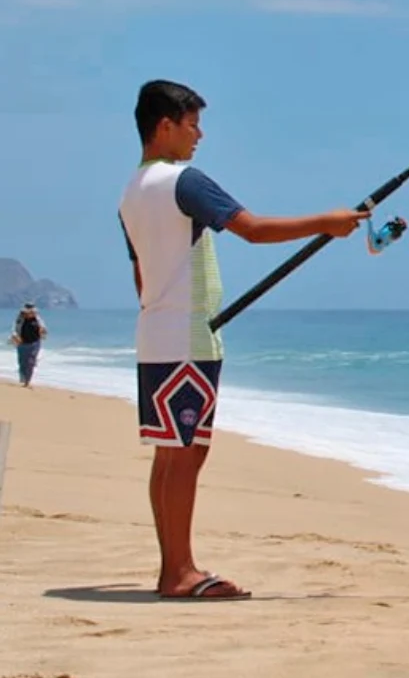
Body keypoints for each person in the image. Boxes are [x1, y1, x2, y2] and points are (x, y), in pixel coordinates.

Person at [118, 80, 367, 601]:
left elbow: (143, 277)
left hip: (155, 333)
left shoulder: (131, 192)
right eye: (192, 125)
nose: (199, 135)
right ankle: (179, 573)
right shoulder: (186, 182)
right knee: (188, 455)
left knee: (170, 455)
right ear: (165, 126)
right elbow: (251, 229)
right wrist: (329, 221)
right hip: (190, 337)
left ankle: (173, 568)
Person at [10, 303, 46, 387]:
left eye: (33, 312)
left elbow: (43, 328)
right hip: (22, 343)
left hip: (35, 343)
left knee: (31, 361)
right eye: (30, 312)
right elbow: (14, 329)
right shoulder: (20, 319)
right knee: (22, 362)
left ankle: (27, 381)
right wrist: (15, 336)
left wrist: (43, 331)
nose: (32, 314)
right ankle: (23, 378)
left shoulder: (38, 319)